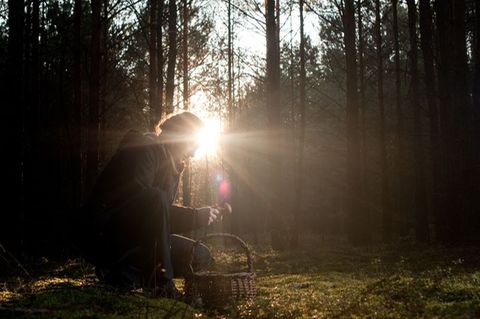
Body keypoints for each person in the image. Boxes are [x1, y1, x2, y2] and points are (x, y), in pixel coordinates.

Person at [78, 112, 230, 298]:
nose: (193, 153)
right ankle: (161, 285)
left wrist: (199, 216)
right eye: (193, 145)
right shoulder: (144, 148)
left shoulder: (172, 168)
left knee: (199, 255)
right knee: (155, 198)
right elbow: (142, 204)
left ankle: (126, 275)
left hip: (138, 239)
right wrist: (194, 215)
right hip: (105, 236)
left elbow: (160, 220)